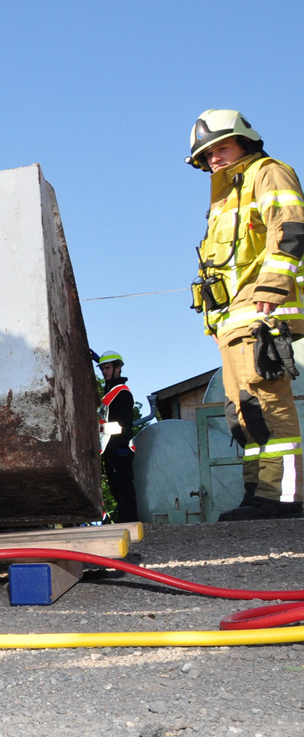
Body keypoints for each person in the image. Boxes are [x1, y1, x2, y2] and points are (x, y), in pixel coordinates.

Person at [187, 110, 303, 521]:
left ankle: (284, 497)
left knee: (268, 401)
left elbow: (290, 230)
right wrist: (213, 320)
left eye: (222, 147)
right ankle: (259, 493)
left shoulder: (268, 173)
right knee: (243, 411)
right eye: (207, 154)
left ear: (245, 142)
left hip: (261, 309)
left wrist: (271, 288)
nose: (214, 158)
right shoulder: (224, 197)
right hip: (232, 318)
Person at [95, 350, 139, 522]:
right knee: (117, 488)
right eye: (102, 368)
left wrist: (120, 449)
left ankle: (129, 523)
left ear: (118, 367)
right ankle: (124, 521)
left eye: (107, 368)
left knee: (123, 488)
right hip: (111, 447)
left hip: (119, 449)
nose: (104, 372)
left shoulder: (121, 393)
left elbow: (124, 426)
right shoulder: (112, 391)